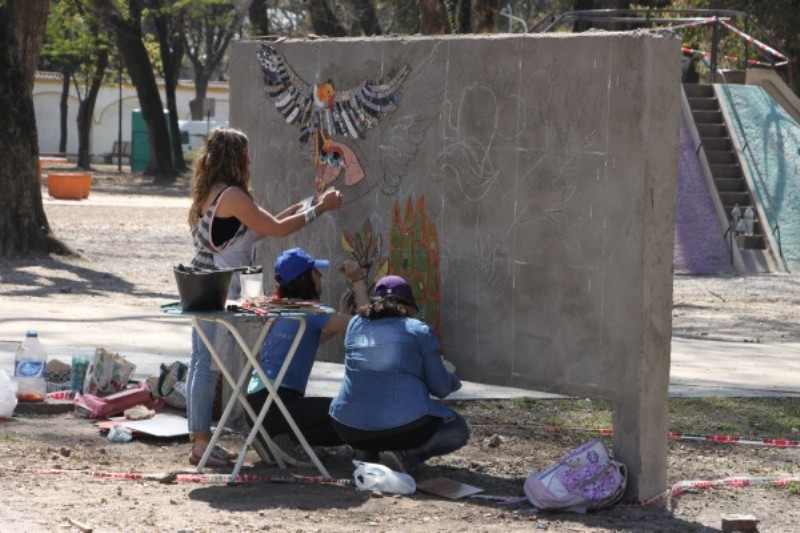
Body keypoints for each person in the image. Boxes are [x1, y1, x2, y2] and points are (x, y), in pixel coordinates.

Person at [185, 127, 344, 466]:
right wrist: (321, 208)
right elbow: (276, 230)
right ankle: (202, 445)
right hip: (218, 288)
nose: (250, 160)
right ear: (235, 157)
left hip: (204, 284)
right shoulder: (232, 195)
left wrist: (293, 211)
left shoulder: (212, 192)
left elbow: (247, 235)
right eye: (246, 154)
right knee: (209, 366)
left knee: (204, 363)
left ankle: (202, 441)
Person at [329, 275, 469, 471]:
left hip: (348, 425)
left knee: (371, 412)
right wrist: (453, 379)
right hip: (400, 427)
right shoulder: (419, 330)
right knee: (457, 429)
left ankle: (365, 453)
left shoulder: (354, 325)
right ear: (408, 306)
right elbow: (441, 388)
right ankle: (404, 457)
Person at [245, 247, 369, 452]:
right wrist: (357, 280)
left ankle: (280, 438)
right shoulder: (313, 312)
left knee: (332, 420)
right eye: (316, 272)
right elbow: (368, 325)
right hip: (277, 404)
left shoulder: (277, 308)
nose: (321, 277)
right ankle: (281, 438)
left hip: (255, 407)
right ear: (305, 279)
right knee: (358, 415)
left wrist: (336, 320)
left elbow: (300, 344)